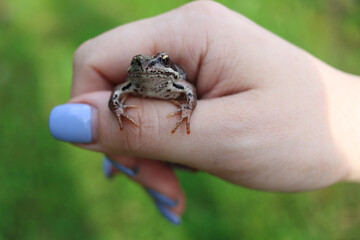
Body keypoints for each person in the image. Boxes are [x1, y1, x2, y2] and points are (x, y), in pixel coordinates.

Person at [49, 1, 360, 225]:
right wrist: (117, 114)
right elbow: (116, 95)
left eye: (160, 60)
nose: (149, 67)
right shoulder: (132, 82)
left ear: (167, 64)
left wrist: (187, 113)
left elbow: (190, 91)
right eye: (139, 63)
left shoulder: (175, 79)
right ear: (134, 68)